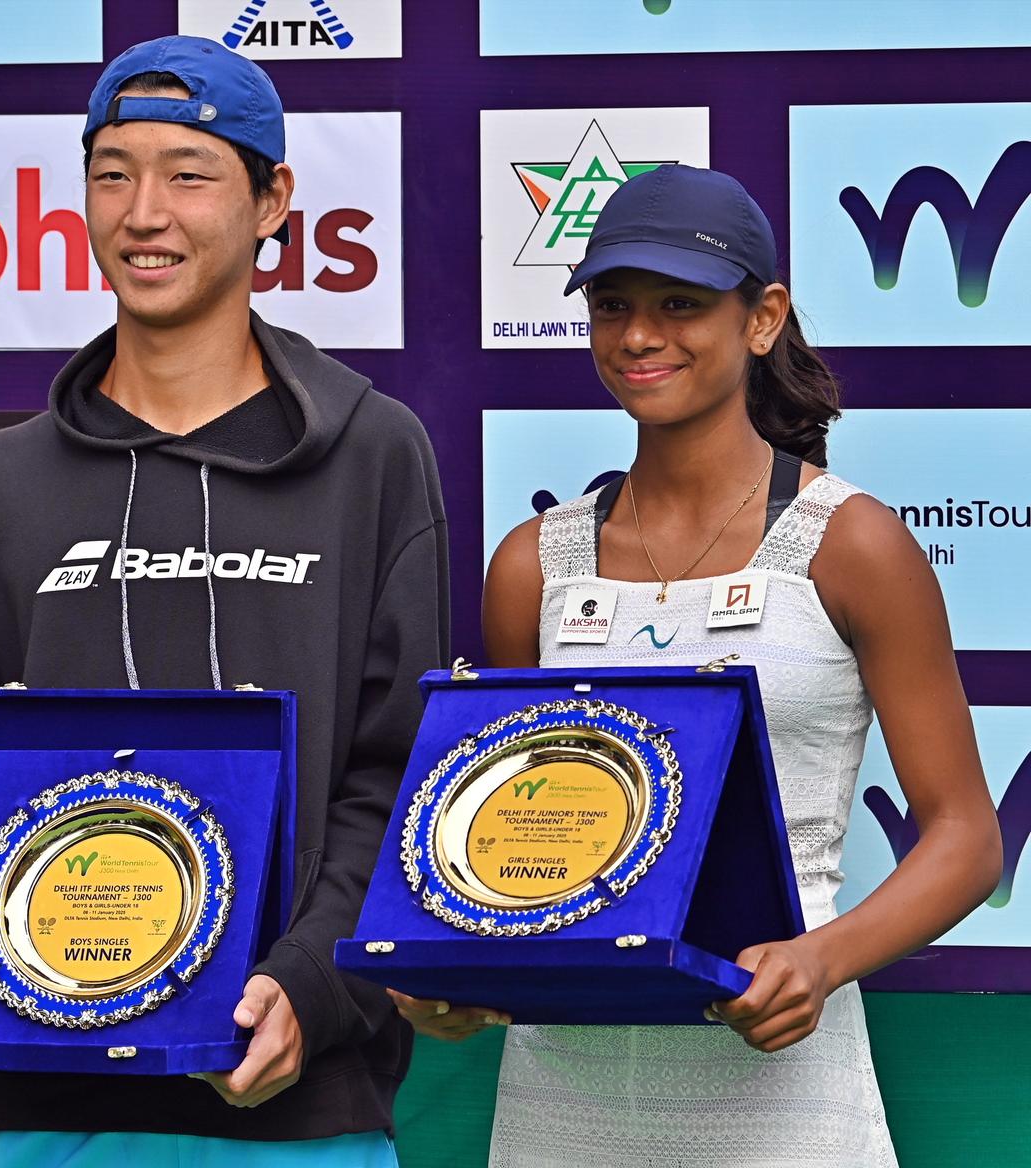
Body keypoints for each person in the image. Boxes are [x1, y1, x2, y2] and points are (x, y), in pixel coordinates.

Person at [0, 36, 448, 1168]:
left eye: (189, 173)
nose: (145, 212)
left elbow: (399, 776)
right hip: (47, 1105)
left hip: (297, 1102)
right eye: (112, 172)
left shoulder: (376, 456)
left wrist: (313, 982)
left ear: (272, 199)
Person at [392, 165, 1000, 1166]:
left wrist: (820, 958)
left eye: (680, 304)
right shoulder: (531, 564)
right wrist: (456, 974)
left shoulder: (852, 544)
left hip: (786, 1090)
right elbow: (512, 835)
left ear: (762, 319)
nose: (638, 335)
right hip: (564, 1098)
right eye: (613, 305)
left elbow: (969, 837)